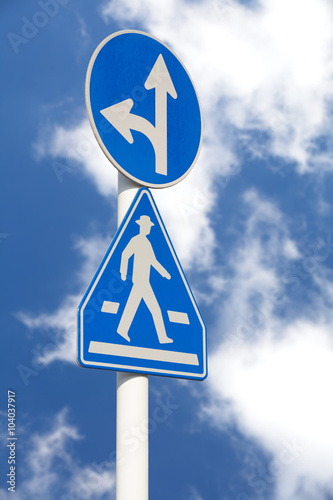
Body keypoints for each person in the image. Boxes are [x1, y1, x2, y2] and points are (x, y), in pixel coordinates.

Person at [117, 215, 173, 344]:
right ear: (142, 226)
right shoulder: (136, 240)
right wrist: (123, 273)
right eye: (147, 226)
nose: (149, 229)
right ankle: (162, 337)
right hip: (139, 280)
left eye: (149, 227)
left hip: (144, 280)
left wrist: (164, 273)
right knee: (154, 309)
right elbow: (125, 254)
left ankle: (122, 329)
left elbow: (153, 261)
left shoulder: (147, 242)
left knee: (134, 305)